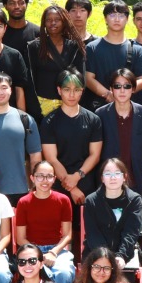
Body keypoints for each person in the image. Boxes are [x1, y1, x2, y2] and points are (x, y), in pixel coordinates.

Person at [42, 70, 105, 202]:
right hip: (59, 185)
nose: (71, 94)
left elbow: (95, 155)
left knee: (84, 222)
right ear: (59, 90)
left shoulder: (93, 120)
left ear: (82, 91)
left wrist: (77, 177)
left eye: (76, 90)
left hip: (86, 183)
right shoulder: (49, 121)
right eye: (66, 89)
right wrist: (71, 187)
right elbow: (51, 159)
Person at [16, 161, 78, 283]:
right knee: (37, 272)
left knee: (64, 273)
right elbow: (20, 238)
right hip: (32, 249)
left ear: (54, 179)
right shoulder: (24, 202)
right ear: (32, 178)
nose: (45, 180)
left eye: (49, 176)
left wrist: (53, 252)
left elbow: (67, 235)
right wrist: (39, 255)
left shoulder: (63, 200)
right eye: (40, 176)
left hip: (57, 249)